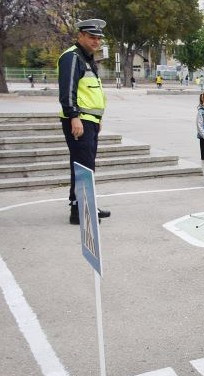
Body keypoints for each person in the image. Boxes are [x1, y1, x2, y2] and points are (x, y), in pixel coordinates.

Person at [58, 18, 110, 224]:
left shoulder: (87, 58)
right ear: (80, 36)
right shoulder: (72, 57)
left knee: (85, 165)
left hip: (90, 120)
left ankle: (85, 205)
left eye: (98, 38)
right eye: (91, 37)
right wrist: (74, 117)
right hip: (79, 120)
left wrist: (97, 118)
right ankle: (79, 211)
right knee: (83, 166)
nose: (96, 41)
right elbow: (67, 91)